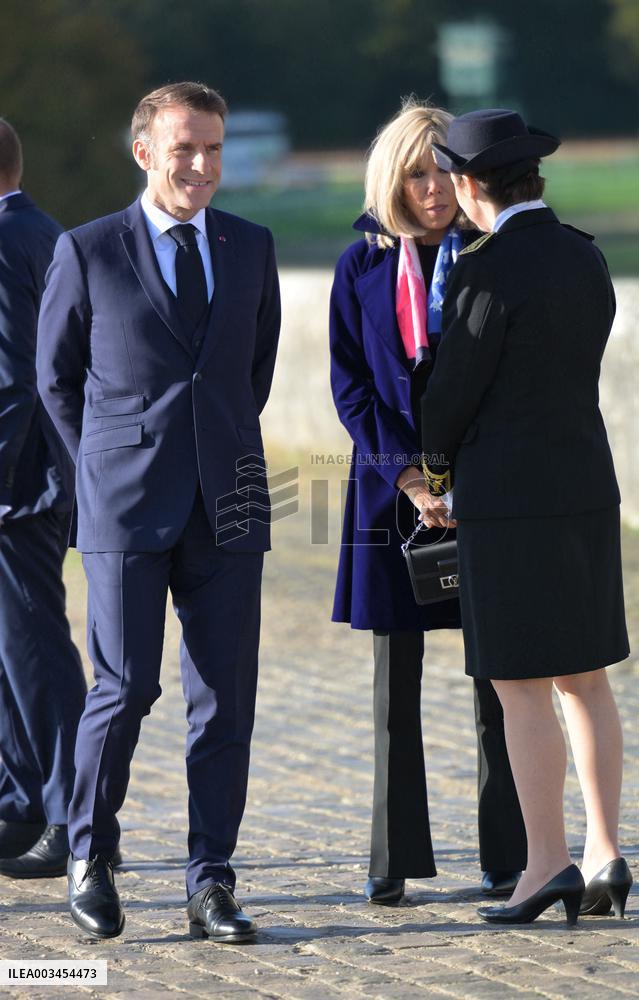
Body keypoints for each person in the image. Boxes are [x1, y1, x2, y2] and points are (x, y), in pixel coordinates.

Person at [36, 82, 280, 941]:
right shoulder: (89, 249)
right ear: (145, 151)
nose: (202, 165)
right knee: (126, 686)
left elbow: (252, 371)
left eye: (213, 148)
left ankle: (211, 880)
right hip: (123, 507)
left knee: (225, 702)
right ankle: (88, 855)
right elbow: (56, 381)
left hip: (232, 503)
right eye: (185, 148)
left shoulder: (252, 247)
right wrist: (104, 467)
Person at [422, 108, 631, 926]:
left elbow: (453, 393)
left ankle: (547, 864)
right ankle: (609, 851)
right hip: (585, 483)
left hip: (508, 500)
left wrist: (434, 463)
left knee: (519, 688)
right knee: (586, 677)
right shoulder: (585, 254)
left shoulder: (486, 267)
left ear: (471, 186)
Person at [329, 100, 527, 906]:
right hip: (388, 492)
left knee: (499, 681)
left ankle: (509, 852)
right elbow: (351, 385)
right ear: (393, 178)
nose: (434, 189)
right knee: (391, 690)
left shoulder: (492, 255)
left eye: (445, 170)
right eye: (416, 173)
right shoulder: (361, 265)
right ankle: (393, 855)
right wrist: (410, 478)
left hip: (482, 489)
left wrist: (456, 481)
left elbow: (510, 381)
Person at [0, 119, 88, 879]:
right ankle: (19, 802)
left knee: (34, 648)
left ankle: (70, 814)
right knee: (10, 647)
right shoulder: (40, 229)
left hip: (20, 486)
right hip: (32, 479)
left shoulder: (7, 239)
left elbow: (15, 379)